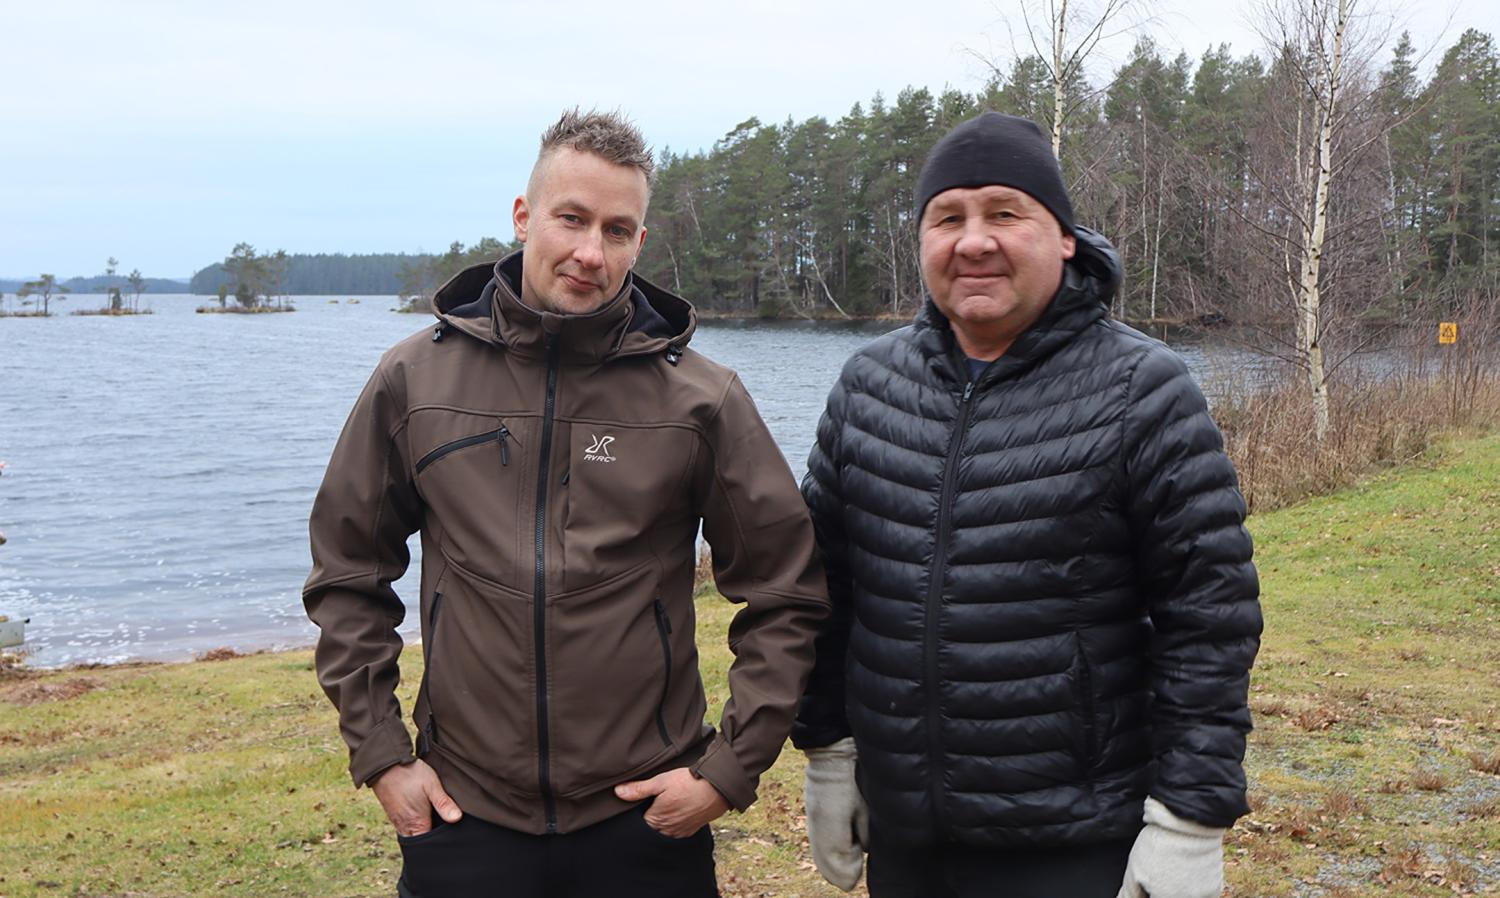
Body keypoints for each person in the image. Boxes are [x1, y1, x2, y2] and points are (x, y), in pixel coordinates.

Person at [304, 109, 829, 898]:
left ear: (641, 244)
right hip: (464, 815)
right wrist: (381, 753)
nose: (591, 252)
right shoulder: (415, 381)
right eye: (571, 219)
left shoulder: (701, 400)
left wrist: (727, 769)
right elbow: (348, 572)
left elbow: (786, 592)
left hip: (643, 820)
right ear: (524, 217)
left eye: (618, 230)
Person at [792, 111, 1263, 898]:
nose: (974, 241)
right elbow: (826, 590)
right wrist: (829, 750)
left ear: (1065, 238)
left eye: (1005, 213)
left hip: (1074, 839)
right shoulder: (869, 388)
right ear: (922, 242)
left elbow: (1209, 616)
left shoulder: (1143, 389)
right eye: (948, 218)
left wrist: (1190, 818)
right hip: (907, 835)